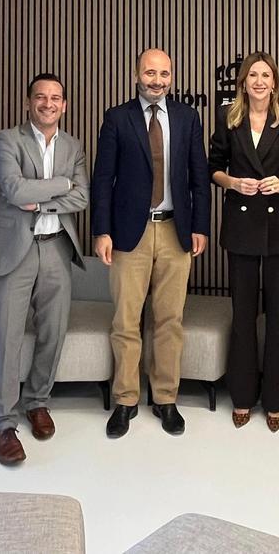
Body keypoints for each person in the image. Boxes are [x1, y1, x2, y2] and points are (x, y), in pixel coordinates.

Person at [91, 48, 210, 439]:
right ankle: (125, 400)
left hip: (176, 231)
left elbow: (198, 177)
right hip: (130, 234)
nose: (157, 80)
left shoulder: (186, 117)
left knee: (169, 320)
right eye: (149, 73)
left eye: (164, 74)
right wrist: (102, 231)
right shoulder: (117, 118)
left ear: (171, 76)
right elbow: (102, 180)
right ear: (136, 75)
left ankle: (165, 398)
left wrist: (200, 227)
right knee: (126, 321)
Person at [0, 73, 88, 465]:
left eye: (55, 98)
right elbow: (14, 189)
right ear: (28, 103)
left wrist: (40, 201)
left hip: (56, 246)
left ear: (65, 105)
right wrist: (60, 185)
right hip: (15, 250)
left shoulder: (73, 145)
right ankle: (3, 424)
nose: (48, 103)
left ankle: (38, 401)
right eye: (40, 97)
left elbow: (82, 196)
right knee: (6, 335)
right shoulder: (7, 139)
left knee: (53, 331)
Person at [208, 51, 279, 432]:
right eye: (253, 74)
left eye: (266, 74)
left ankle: (278, 399)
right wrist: (233, 182)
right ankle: (242, 396)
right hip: (241, 226)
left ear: (275, 81)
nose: (259, 81)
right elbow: (212, 167)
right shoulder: (227, 117)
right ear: (243, 82)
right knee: (244, 315)